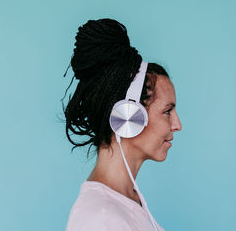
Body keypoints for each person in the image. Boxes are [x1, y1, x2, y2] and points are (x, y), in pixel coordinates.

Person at [62, 18, 182, 231]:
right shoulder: (101, 219)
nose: (177, 124)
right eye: (167, 111)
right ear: (129, 115)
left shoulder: (127, 201)